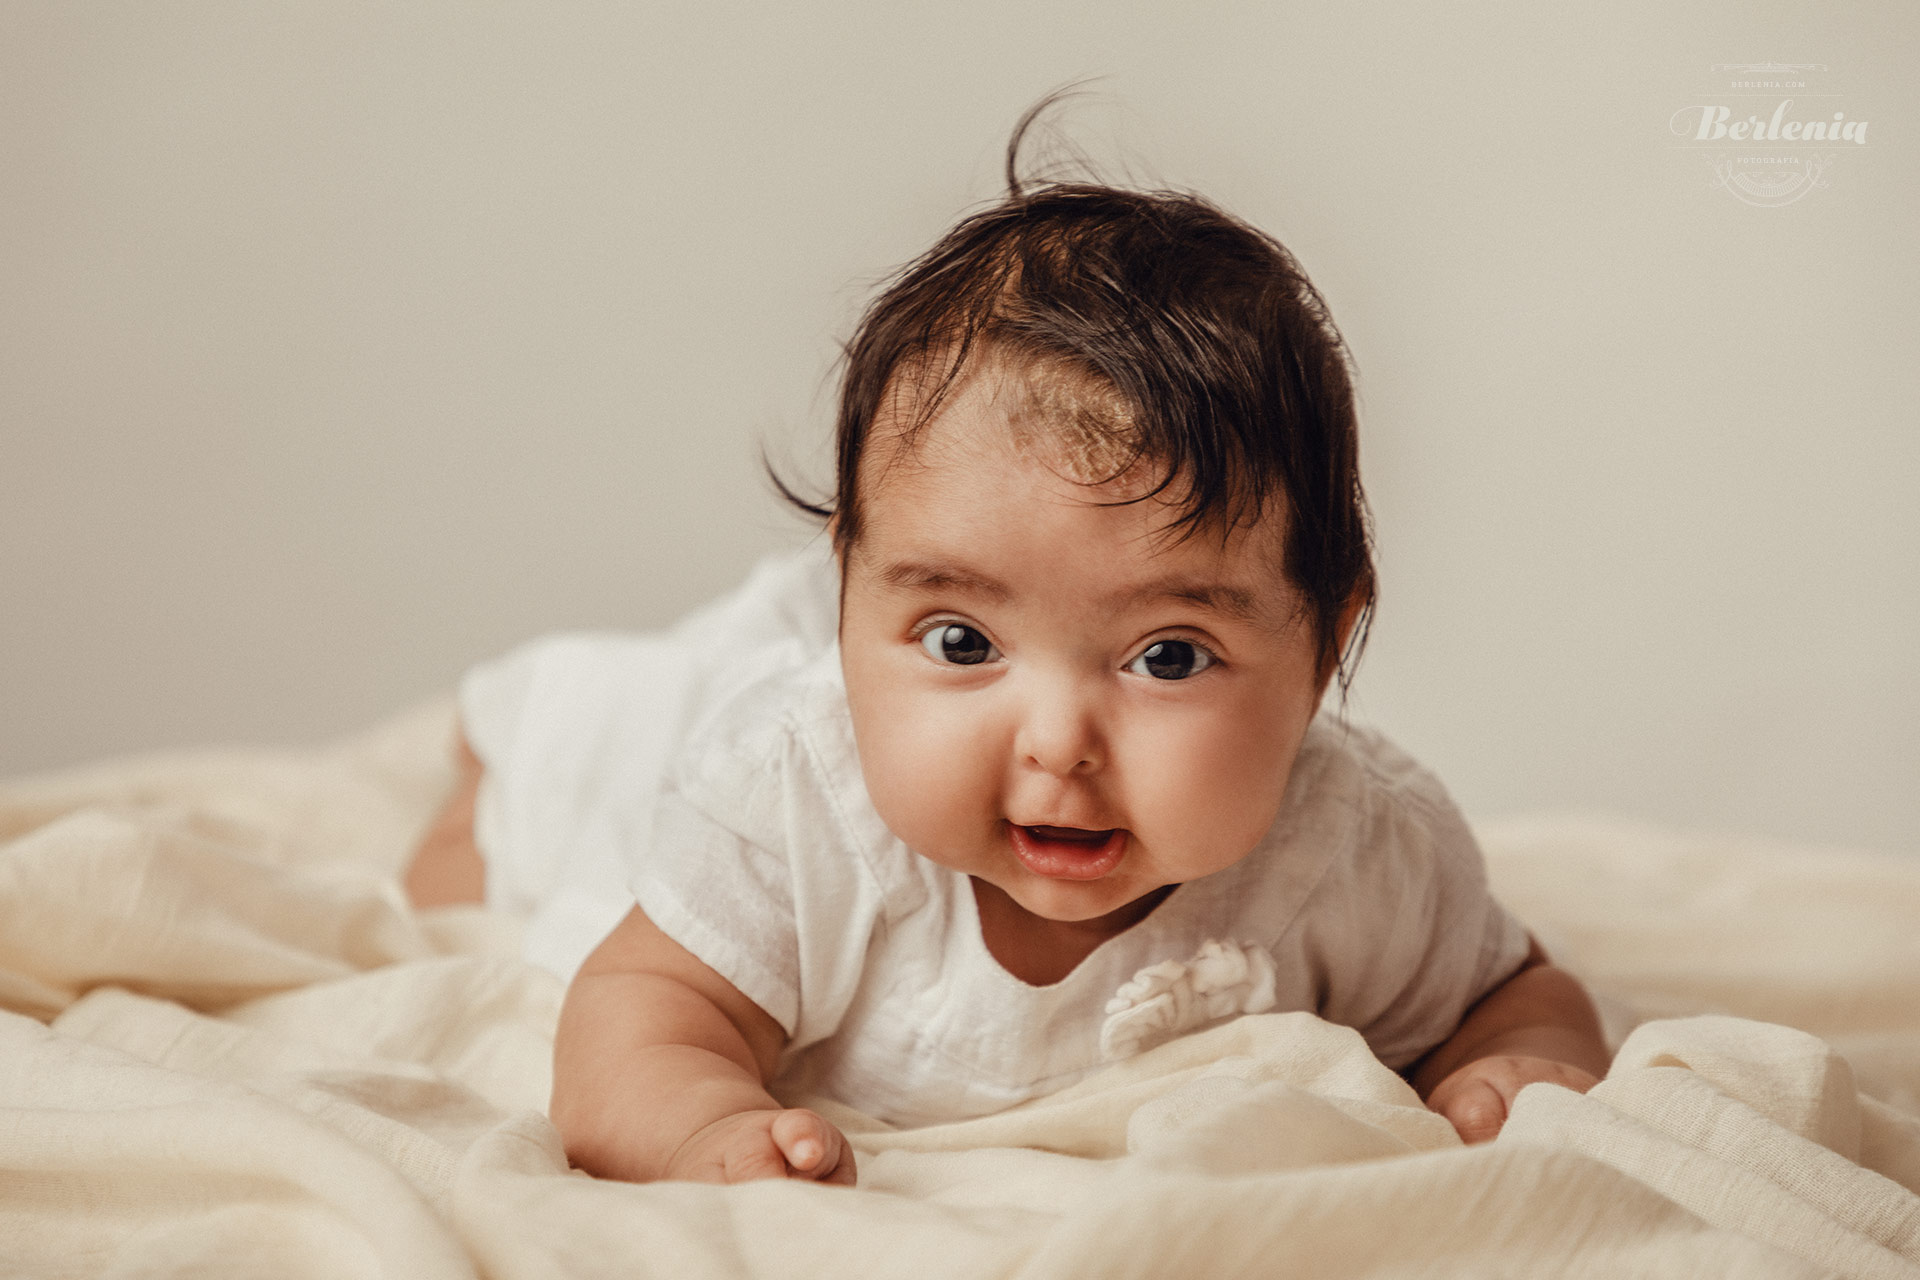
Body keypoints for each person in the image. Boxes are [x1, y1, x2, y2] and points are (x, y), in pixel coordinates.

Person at [404, 104, 1610, 1189]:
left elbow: (1512, 987)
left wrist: (1519, 1058)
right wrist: (698, 1125)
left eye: (1169, 655)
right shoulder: (792, 792)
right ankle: (493, 742)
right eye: (965, 637)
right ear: (854, 603)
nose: (1058, 741)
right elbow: (642, 1004)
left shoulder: (1362, 850)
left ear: (1323, 645)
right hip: (698, 727)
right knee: (550, 789)